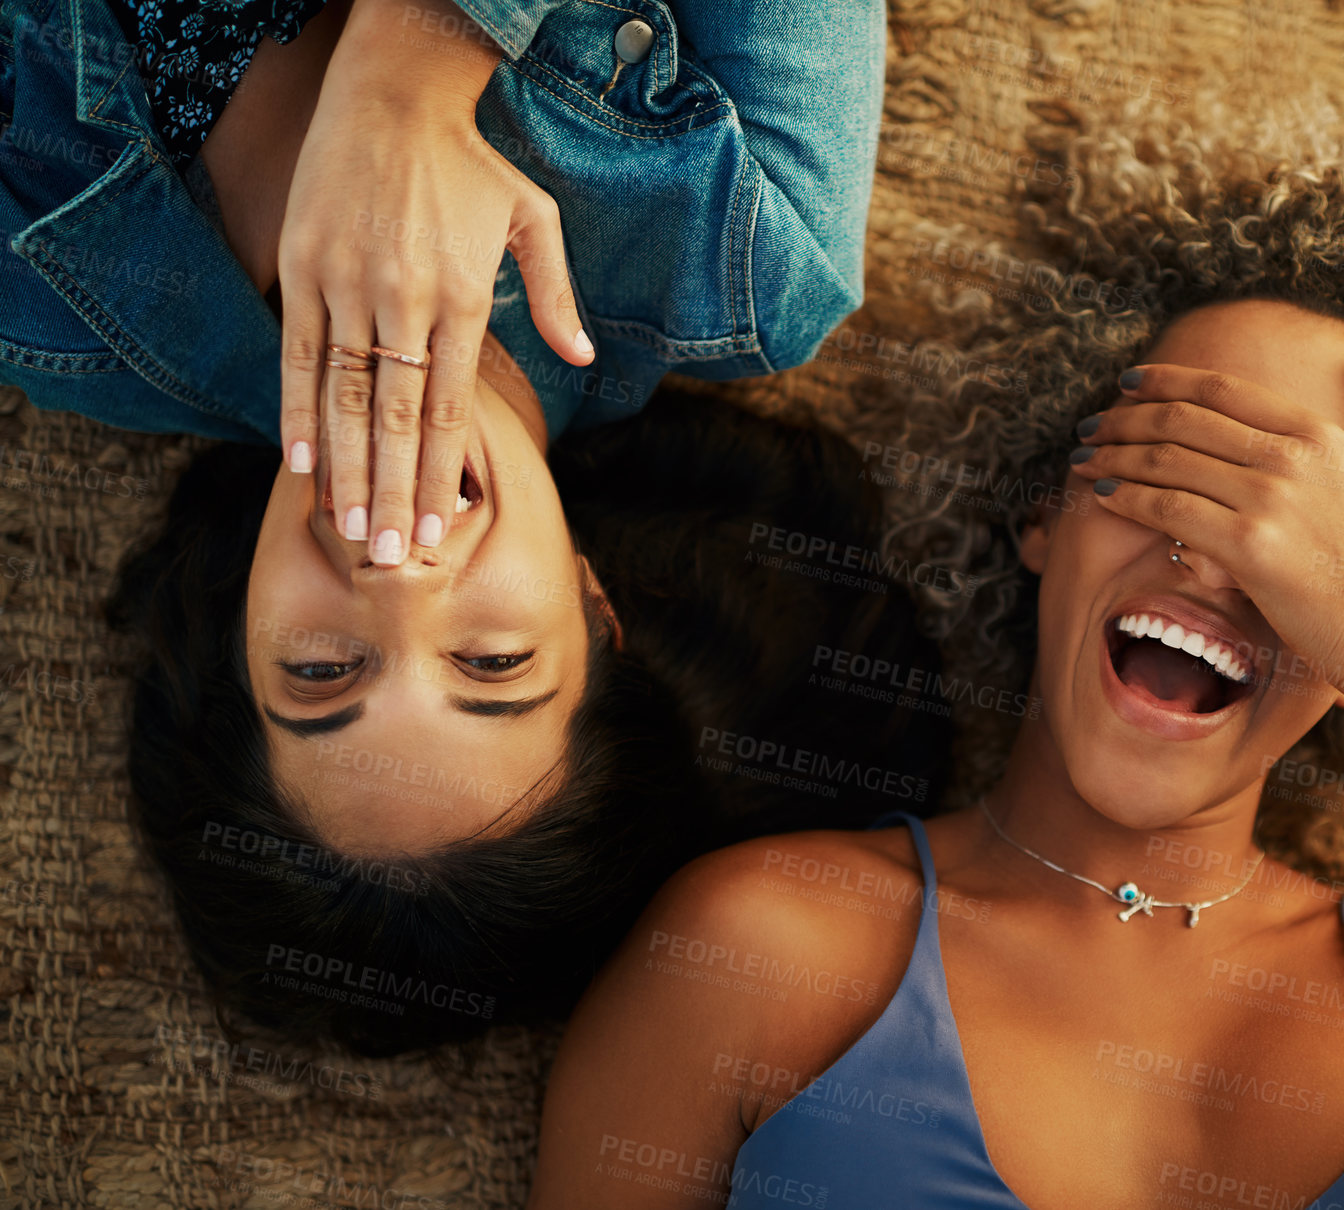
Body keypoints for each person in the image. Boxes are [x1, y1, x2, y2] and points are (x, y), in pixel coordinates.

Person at [525, 136, 1344, 1207]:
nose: (1217, 556)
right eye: (1170, 468)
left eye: (1314, 552)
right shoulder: (766, 941)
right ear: (1043, 513)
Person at [3, 0, 930, 1054]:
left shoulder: (45, 311)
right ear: (595, 603)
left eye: (320, 670)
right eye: (490, 661)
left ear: (240, 630)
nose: (399, 574)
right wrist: (416, 67)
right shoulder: (752, 245)